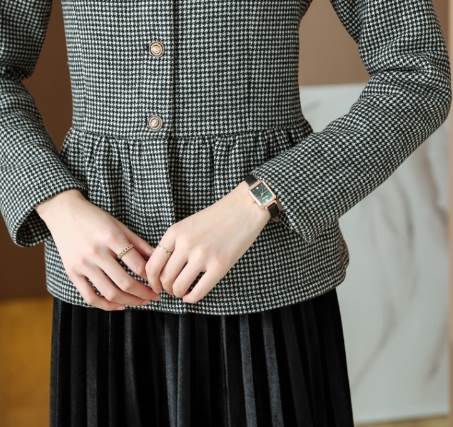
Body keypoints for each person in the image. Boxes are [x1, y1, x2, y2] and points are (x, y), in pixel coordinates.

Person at [0, 0, 451, 426]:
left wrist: (262, 197)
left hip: (268, 281)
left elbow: (419, 73)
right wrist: (56, 204)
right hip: (102, 280)